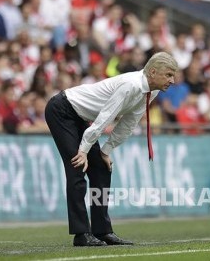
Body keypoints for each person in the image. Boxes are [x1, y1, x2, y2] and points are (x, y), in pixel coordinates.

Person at [45, 52, 178, 246]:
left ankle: (102, 231)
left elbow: (129, 123)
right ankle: (81, 234)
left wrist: (106, 150)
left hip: (81, 116)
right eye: (168, 75)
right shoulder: (131, 85)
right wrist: (83, 150)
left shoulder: (152, 90)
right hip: (62, 110)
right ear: (153, 71)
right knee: (76, 168)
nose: (172, 80)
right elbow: (106, 118)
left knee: (101, 168)